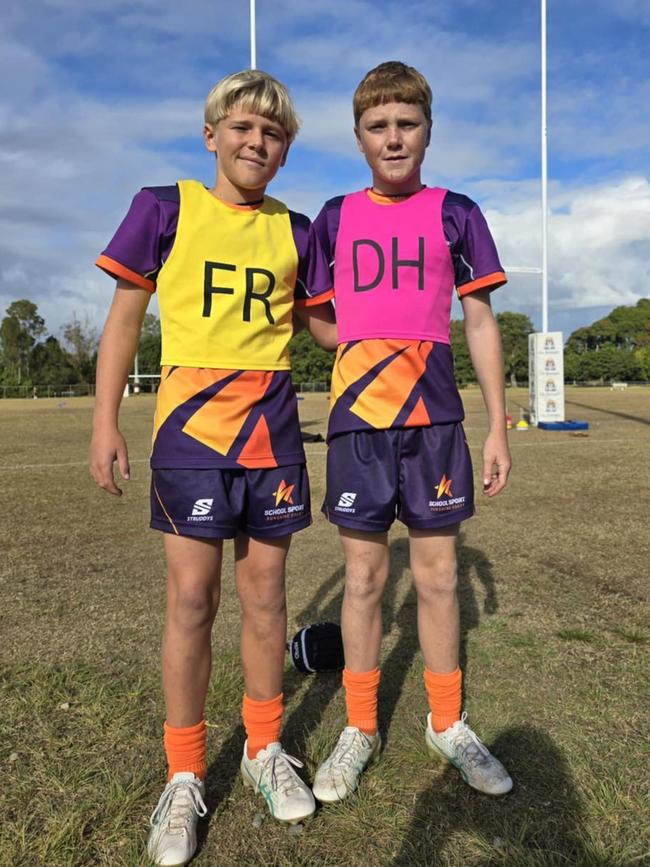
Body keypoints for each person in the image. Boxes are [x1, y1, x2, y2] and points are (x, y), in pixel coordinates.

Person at [89, 70, 335, 866]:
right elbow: (125, 319)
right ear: (211, 135)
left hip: (273, 436)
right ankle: (187, 772)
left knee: (266, 596)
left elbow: (330, 328)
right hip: (192, 438)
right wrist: (105, 422)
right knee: (192, 601)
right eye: (242, 128)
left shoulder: (296, 231)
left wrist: (411, 280)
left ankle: (264, 746)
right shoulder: (163, 207)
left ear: (287, 149)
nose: (256, 142)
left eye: (273, 134)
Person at [310, 61, 513, 804]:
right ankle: (360, 726)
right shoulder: (334, 216)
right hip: (359, 426)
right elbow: (320, 320)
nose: (393, 138)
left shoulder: (456, 211)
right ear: (359, 135)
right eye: (378, 126)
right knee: (365, 578)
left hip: (437, 425)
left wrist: (497, 426)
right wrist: (369, 345)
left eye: (407, 124)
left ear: (428, 128)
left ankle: (447, 722)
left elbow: (480, 322)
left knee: (435, 576)